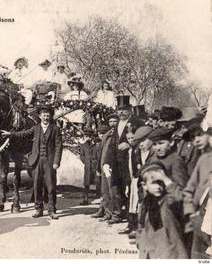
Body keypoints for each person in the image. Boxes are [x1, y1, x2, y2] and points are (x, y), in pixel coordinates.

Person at [2, 106, 62, 219]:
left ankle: (52, 209)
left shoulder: (55, 129)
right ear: (40, 117)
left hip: (49, 161)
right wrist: (10, 134)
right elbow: (23, 134)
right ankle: (38, 209)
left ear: (50, 117)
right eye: (44, 115)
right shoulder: (35, 128)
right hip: (37, 161)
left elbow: (59, 146)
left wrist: (56, 162)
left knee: (51, 186)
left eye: (48, 115)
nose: (46, 118)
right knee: (36, 185)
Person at [104, 95, 142, 224]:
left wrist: (130, 144)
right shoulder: (117, 124)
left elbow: (143, 138)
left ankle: (130, 215)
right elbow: (112, 144)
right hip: (116, 162)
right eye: (119, 110)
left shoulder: (137, 122)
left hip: (130, 161)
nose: (121, 112)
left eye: (124, 109)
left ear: (130, 110)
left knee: (130, 188)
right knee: (116, 187)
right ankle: (117, 213)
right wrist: (107, 161)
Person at [138, 162, 188, 259]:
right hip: (150, 252)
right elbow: (141, 226)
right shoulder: (146, 203)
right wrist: (140, 243)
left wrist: (165, 178)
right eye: (153, 183)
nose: (158, 187)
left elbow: (179, 198)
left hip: (171, 252)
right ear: (144, 185)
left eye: (160, 182)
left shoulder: (168, 200)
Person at [183, 127, 212, 258]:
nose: (196, 140)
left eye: (200, 135)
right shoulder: (204, 159)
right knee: (200, 256)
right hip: (201, 216)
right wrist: (191, 213)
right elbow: (189, 188)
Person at [79, 129, 98, 205]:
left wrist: (95, 162)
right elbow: (81, 156)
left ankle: (99, 198)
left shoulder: (95, 145)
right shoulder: (83, 145)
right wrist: (86, 162)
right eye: (86, 136)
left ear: (92, 137)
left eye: (89, 136)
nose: (88, 138)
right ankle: (85, 199)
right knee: (86, 184)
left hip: (95, 166)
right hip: (87, 167)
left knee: (97, 182)